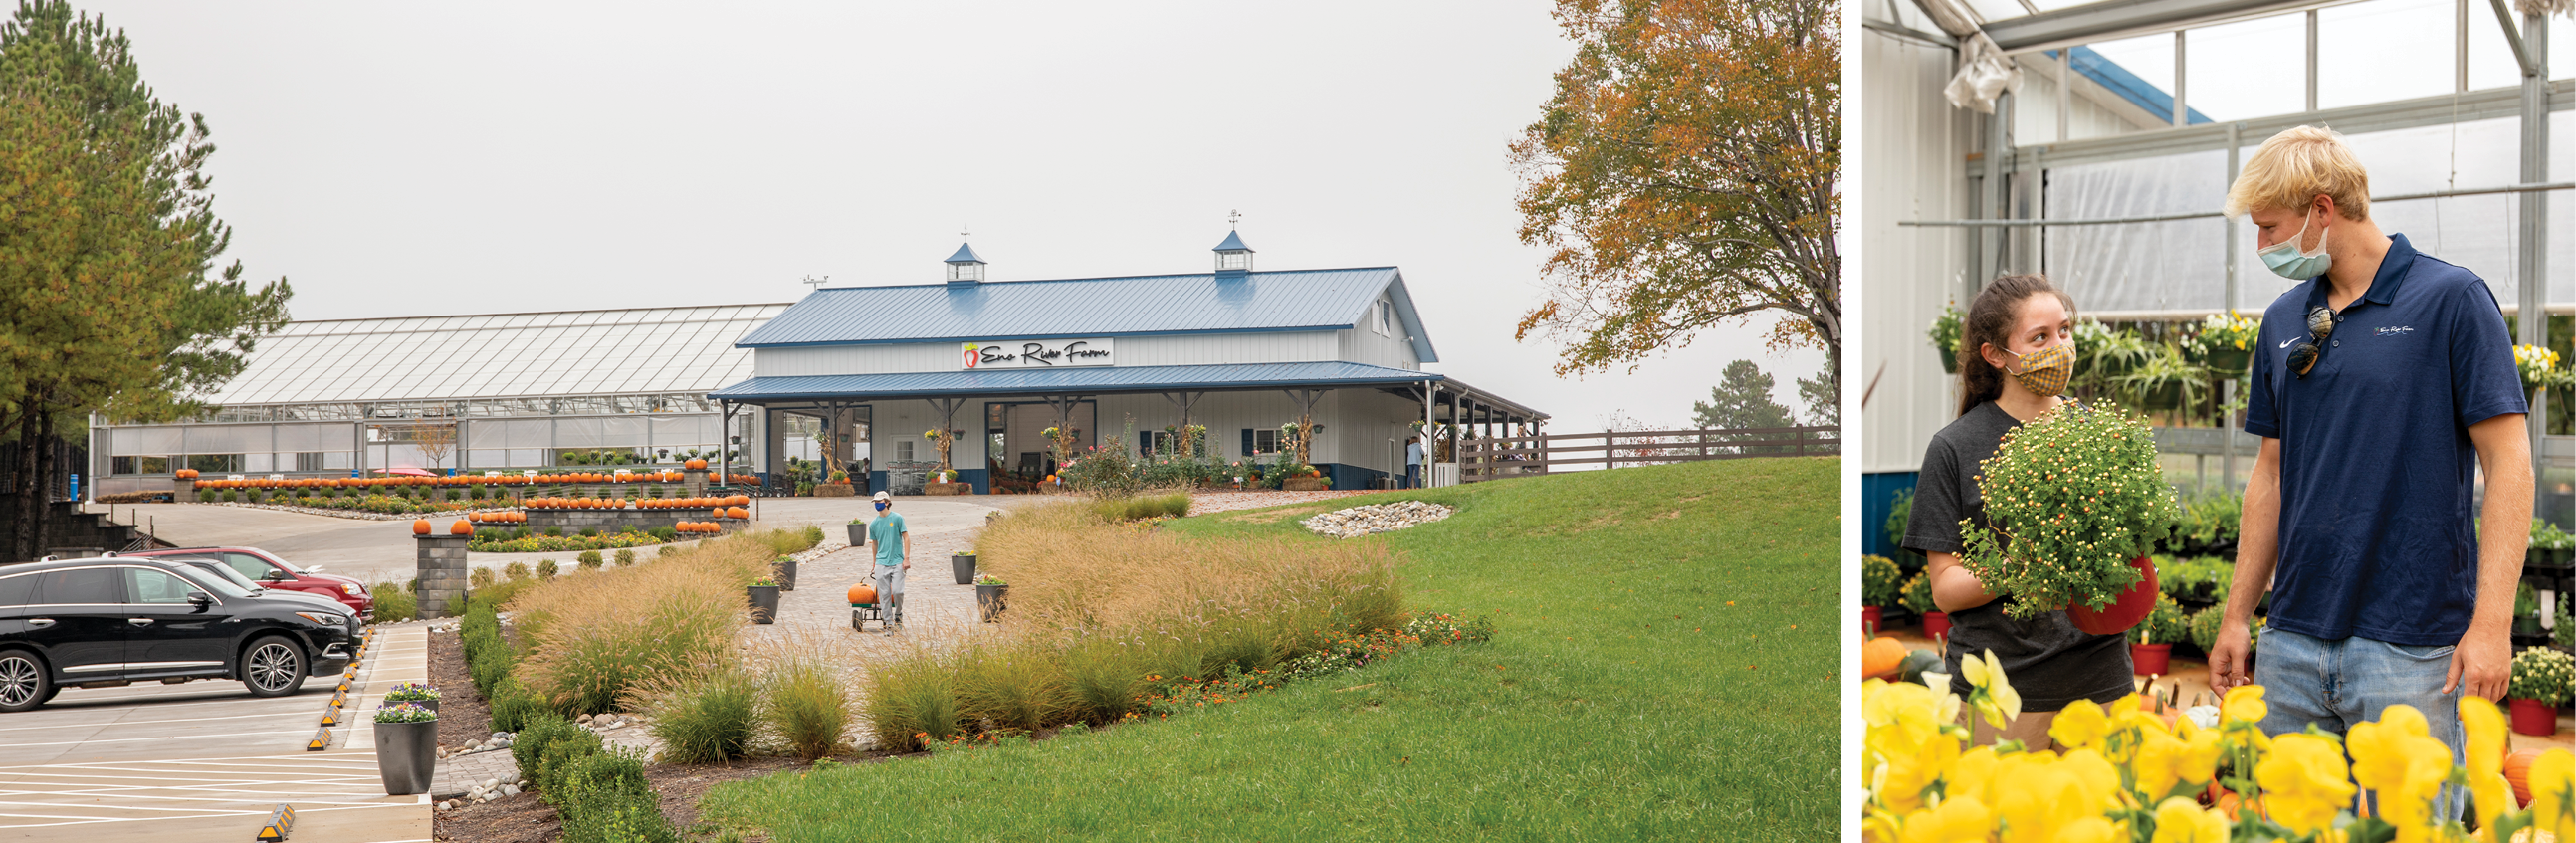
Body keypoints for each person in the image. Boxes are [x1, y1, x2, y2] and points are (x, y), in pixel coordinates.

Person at [2208, 125, 2531, 816]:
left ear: (2323, 209)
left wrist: (2493, 622)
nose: (2262, 247)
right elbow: (2270, 475)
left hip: (2410, 643)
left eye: (2269, 228)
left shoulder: (2450, 300)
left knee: (2409, 827)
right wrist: (2239, 615)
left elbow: (2510, 463)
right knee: (2290, 825)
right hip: (2292, 636)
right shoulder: (2283, 319)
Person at [1903, 274, 2131, 749]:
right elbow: (1946, 591)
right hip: (2003, 691)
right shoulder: (1955, 448)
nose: (2061, 347)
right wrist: (2028, 559)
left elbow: (2128, 556)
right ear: (1995, 355)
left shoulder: (2098, 432)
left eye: (2064, 331)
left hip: (2101, 682)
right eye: (2040, 338)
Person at [865, 490, 911, 633]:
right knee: (883, 595)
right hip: (881, 562)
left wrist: (906, 558)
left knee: (897, 592)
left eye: (879, 502)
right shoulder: (873, 524)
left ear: (887, 502)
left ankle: (898, 614)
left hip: (897, 561)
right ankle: (889, 623)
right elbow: (874, 544)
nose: (877, 504)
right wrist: (874, 563)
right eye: (875, 502)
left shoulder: (897, 518)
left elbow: (906, 538)